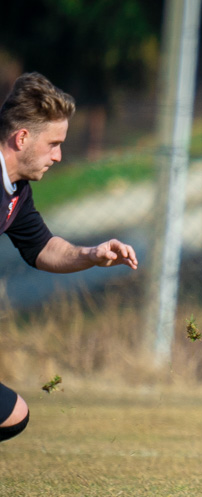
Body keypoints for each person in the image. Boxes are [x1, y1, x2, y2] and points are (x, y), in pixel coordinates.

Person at [0, 72, 138, 444]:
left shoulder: (15, 190)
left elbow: (41, 247)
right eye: (54, 144)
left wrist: (91, 254)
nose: (59, 156)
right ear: (22, 137)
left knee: (12, 415)